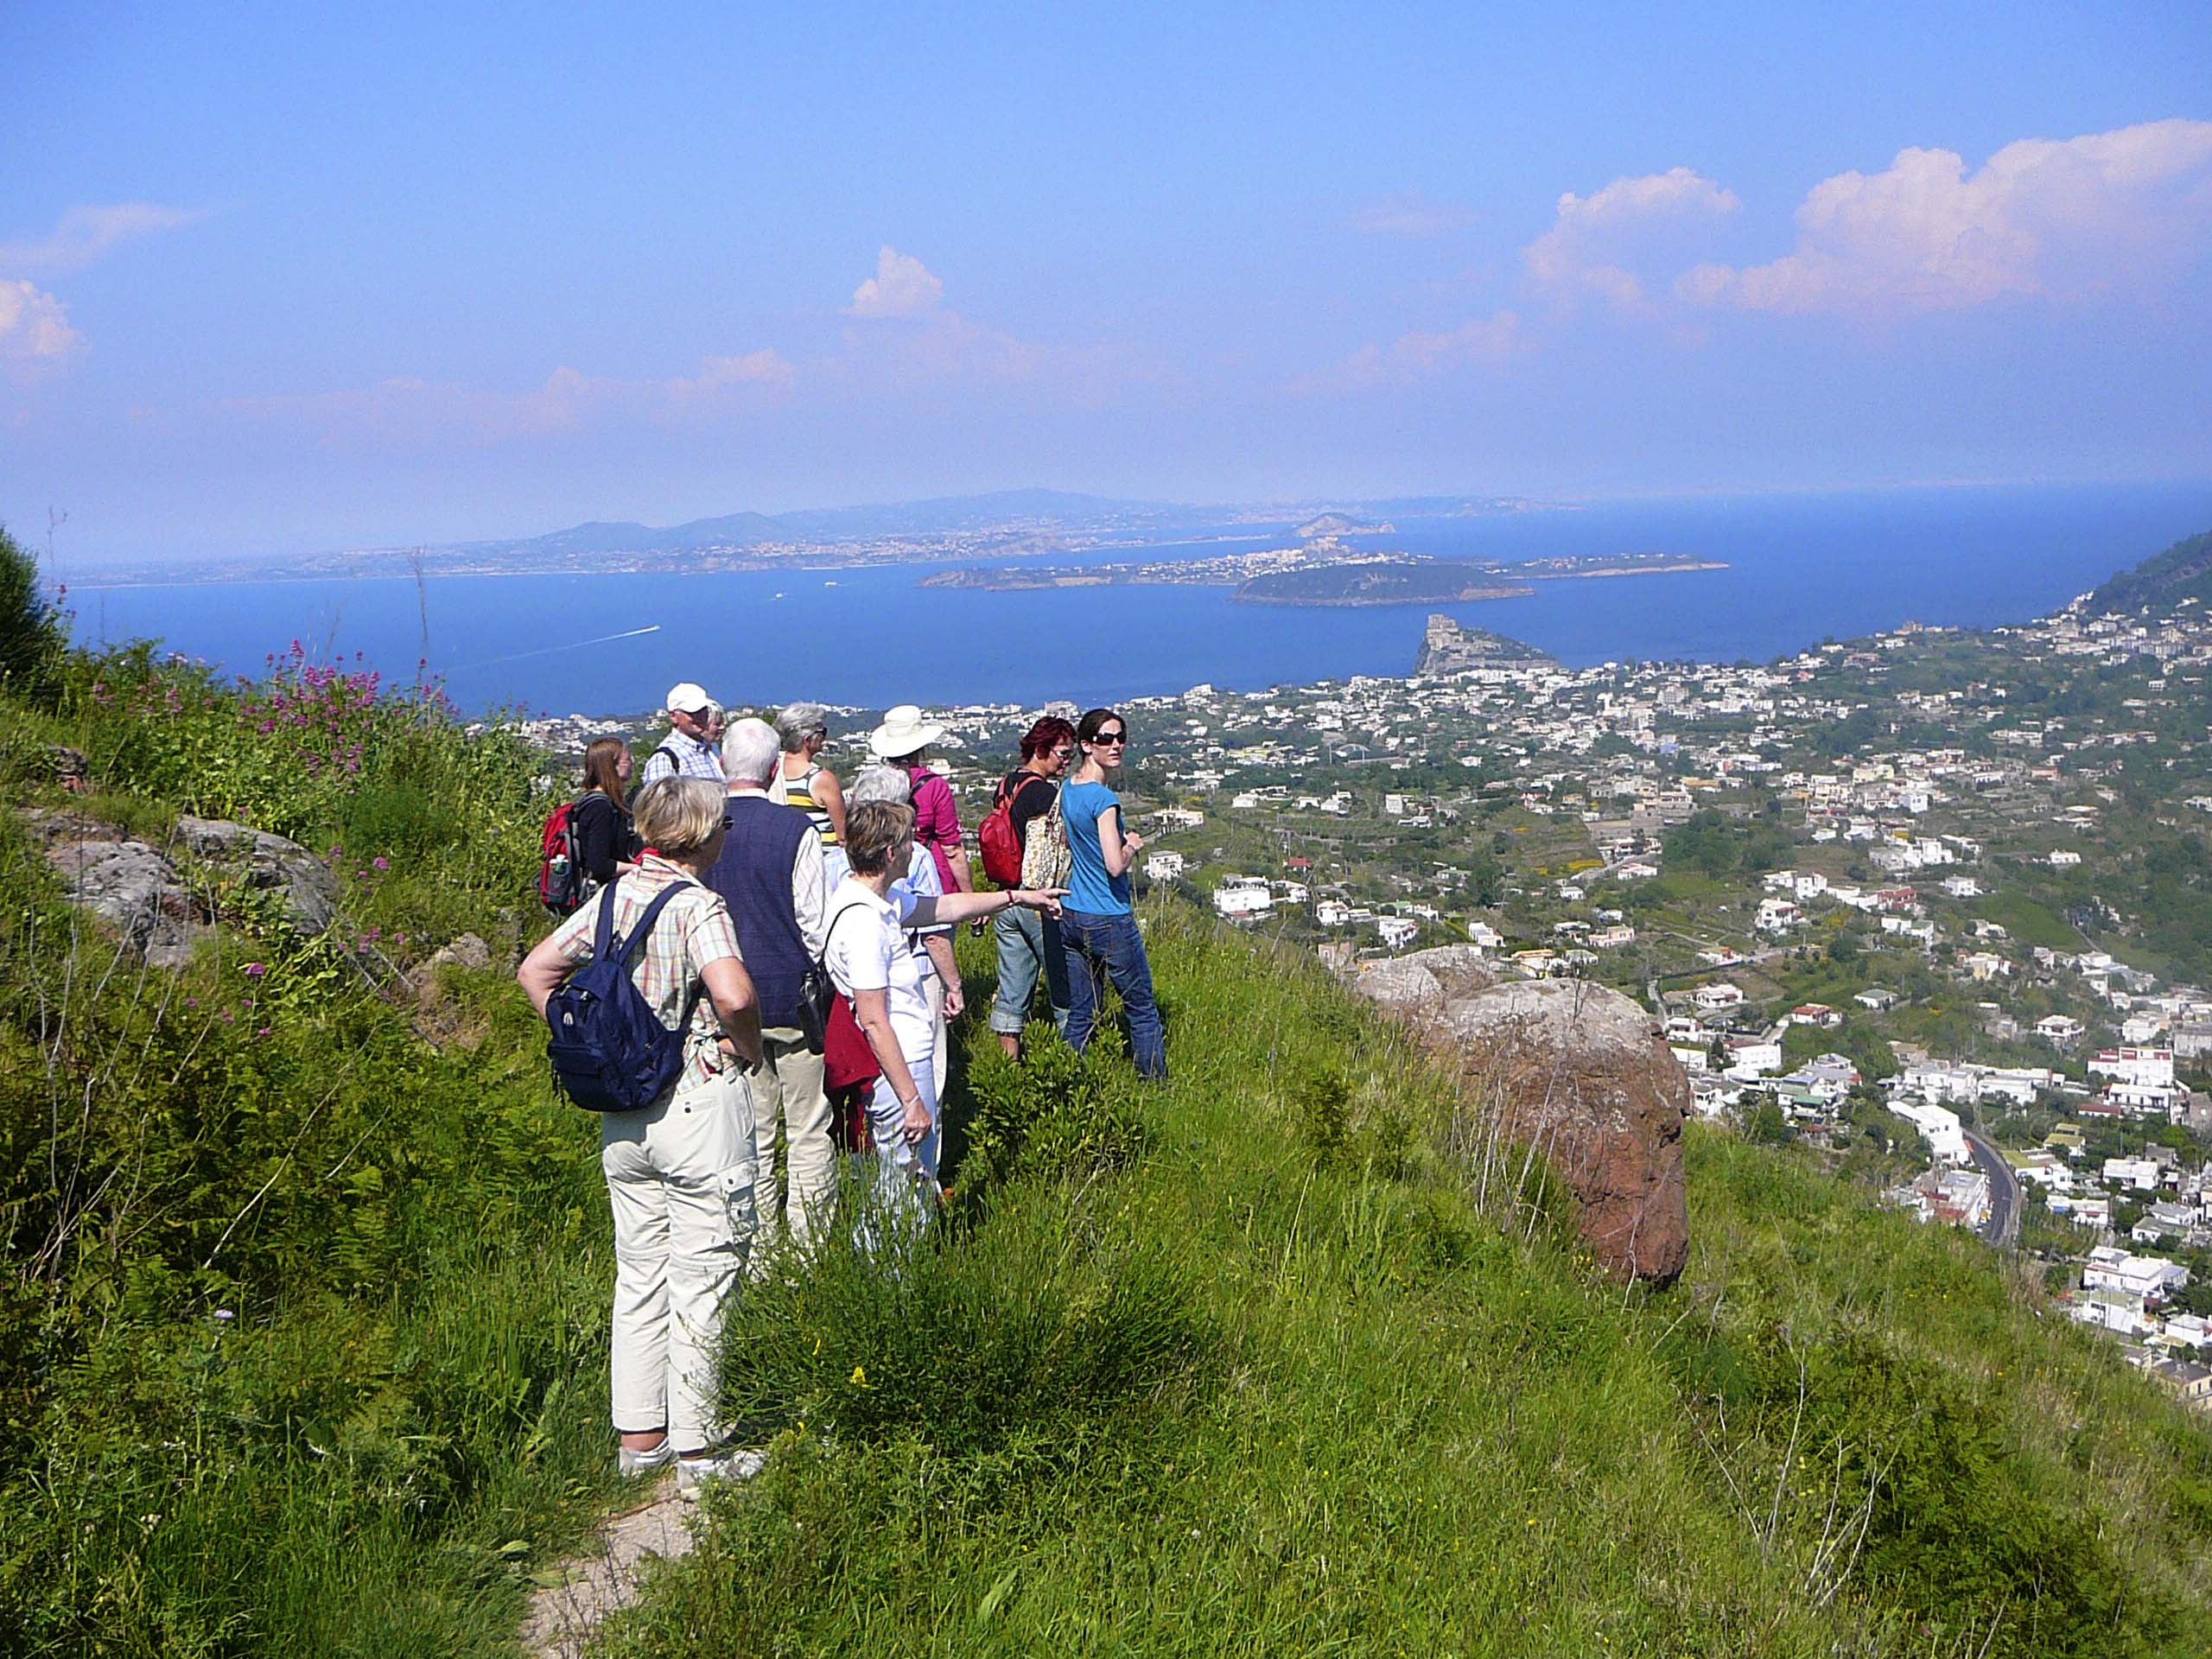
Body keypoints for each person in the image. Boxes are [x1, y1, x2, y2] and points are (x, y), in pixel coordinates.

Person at [516, 777, 766, 1494]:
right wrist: (744, 1050)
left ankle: (640, 1437)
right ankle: (700, 1450)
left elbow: (537, 971)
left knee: (641, 1274)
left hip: (623, 1114)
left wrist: (587, 1042)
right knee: (705, 1273)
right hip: (695, 1102)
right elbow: (735, 993)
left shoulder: (613, 899)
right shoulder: (697, 905)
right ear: (701, 836)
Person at [824, 799, 1060, 1224]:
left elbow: (943, 908)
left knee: (899, 1181)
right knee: (906, 1184)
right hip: (899, 1069)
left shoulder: (870, 898)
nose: (917, 850)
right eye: (910, 842)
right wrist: (911, 1100)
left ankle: (893, 1269)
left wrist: (1017, 897)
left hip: (897, 1065)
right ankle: (897, 1277)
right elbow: (875, 1021)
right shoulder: (865, 924)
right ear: (891, 853)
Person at [704, 718, 834, 1261]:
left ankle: (756, 1250)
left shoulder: (704, 830)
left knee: (752, 1132)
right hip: (793, 998)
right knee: (808, 1127)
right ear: (776, 767)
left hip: (728, 1000)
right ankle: (807, 1252)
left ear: (722, 766)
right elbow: (813, 922)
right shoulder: (795, 830)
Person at [1058, 707, 1166, 1080]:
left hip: (1072, 911)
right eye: (1106, 739)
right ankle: (1153, 1083)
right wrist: (1132, 845)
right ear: (1087, 745)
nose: (1116, 745)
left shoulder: (1069, 789)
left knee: (1082, 1009)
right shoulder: (1104, 801)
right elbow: (1114, 865)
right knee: (1141, 1008)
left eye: (1121, 737)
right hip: (1107, 915)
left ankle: (1066, 1079)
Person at [848, 765, 960, 1096]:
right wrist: (953, 984)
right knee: (928, 1067)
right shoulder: (917, 858)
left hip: (854, 993)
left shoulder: (839, 861)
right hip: (916, 976)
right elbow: (935, 929)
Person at [990, 715, 1076, 1058]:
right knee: (1064, 985)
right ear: (1041, 750)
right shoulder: (1044, 794)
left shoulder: (1005, 785)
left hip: (1007, 896)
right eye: (1062, 754)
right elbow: (1056, 848)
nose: (1066, 762)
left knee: (1012, 987)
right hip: (1037, 897)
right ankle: (1074, 1064)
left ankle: (1007, 1067)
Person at [868, 703, 970, 893]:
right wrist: (970, 897)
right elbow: (952, 849)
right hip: (930, 878)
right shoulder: (934, 786)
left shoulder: (872, 783)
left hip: (883, 876)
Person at [772, 702, 847, 857]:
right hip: (823, 858)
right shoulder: (822, 779)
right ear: (807, 740)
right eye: (822, 732)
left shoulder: (772, 771)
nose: (824, 738)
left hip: (786, 856)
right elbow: (843, 834)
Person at [571, 736, 642, 899]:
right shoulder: (600, 808)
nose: (632, 763)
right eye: (627, 760)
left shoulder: (600, 803)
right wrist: (637, 868)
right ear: (611, 766)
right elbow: (600, 865)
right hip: (600, 896)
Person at [639, 682, 726, 786]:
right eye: (692, 713)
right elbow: (659, 801)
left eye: (703, 710)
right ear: (673, 717)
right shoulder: (665, 759)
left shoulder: (710, 750)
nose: (700, 716)